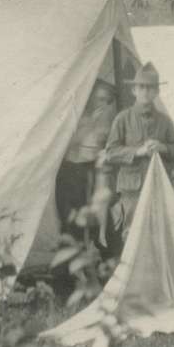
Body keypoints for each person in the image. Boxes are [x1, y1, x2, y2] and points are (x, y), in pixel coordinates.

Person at [102, 62, 174, 242]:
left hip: (159, 184)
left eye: (151, 88)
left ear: (157, 92)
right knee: (132, 233)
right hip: (132, 188)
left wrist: (163, 147)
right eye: (141, 87)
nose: (146, 92)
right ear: (134, 91)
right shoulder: (122, 119)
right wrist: (137, 151)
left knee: (158, 230)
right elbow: (110, 153)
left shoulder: (165, 121)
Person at [55, 82, 117, 240]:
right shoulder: (76, 117)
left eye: (107, 101)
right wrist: (91, 123)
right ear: (90, 98)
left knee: (98, 217)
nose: (103, 104)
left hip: (91, 171)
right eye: (100, 99)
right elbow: (66, 144)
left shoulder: (106, 119)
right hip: (70, 172)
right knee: (71, 221)